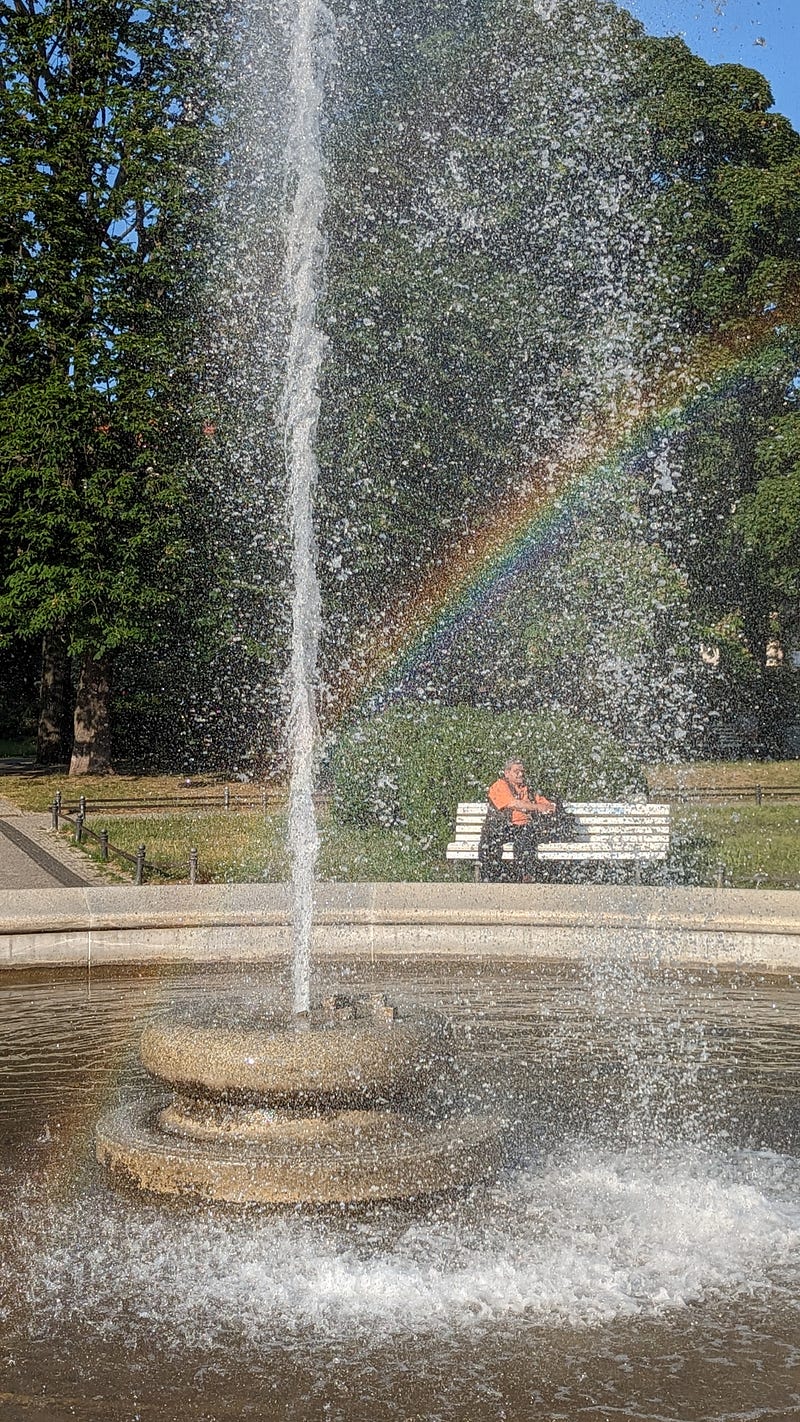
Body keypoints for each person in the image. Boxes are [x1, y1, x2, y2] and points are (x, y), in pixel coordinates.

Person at [479, 757, 557, 882]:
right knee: (489, 842)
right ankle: (490, 878)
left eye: (522, 772)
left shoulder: (529, 789)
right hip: (501, 828)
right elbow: (513, 804)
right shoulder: (499, 786)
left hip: (524, 828)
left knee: (525, 839)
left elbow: (547, 805)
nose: (521, 774)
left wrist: (549, 807)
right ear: (507, 773)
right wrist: (537, 807)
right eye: (517, 772)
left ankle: (525, 876)